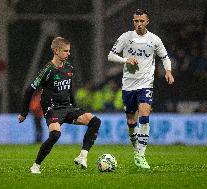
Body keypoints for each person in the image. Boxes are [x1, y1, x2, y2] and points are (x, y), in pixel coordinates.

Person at [18, 37, 101, 174]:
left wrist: (75, 107)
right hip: (52, 109)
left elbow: (69, 89)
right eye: (66, 51)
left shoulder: (69, 67)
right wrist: (24, 113)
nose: (68, 54)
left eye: (69, 51)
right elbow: (29, 90)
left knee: (95, 121)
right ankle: (36, 166)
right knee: (55, 135)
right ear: (56, 51)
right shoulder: (47, 70)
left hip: (68, 107)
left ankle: (82, 156)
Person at [108, 9, 174, 169]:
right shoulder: (126, 37)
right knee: (131, 121)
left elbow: (164, 57)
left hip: (145, 84)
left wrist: (168, 71)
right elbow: (110, 55)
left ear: (147, 22)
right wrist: (125, 60)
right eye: (136, 21)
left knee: (144, 114)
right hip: (128, 85)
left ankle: (141, 154)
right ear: (133, 22)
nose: (138, 24)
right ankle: (136, 149)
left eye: (141, 21)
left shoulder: (154, 39)